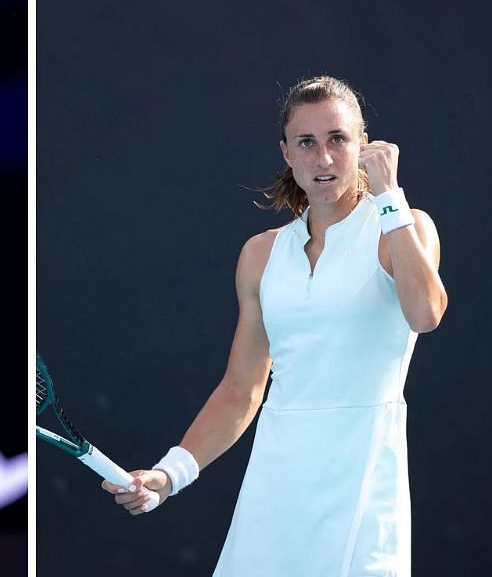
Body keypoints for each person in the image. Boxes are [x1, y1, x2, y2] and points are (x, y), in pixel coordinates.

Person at [102, 76, 448, 576]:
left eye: (337, 139)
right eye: (306, 143)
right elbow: (242, 388)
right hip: (275, 485)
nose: (323, 159)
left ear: (364, 145)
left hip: (365, 488)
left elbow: (426, 314)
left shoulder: (402, 226)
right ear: (287, 153)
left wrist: (390, 197)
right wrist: (168, 475)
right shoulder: (260, 255)